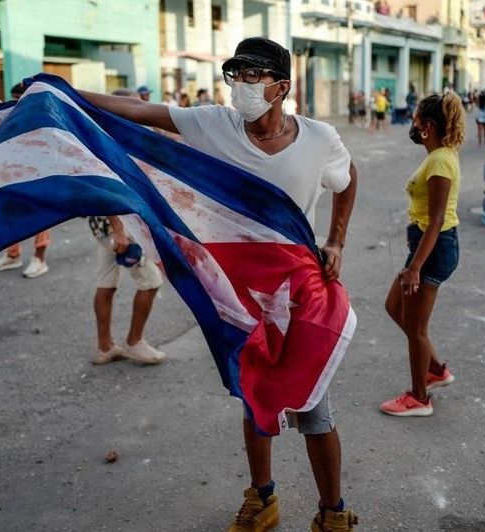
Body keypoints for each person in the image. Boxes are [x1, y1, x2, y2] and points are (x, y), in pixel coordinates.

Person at [75, 36, 359, 531]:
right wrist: (69, 94)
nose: (241, 86)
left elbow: (348, 175)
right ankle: (263, 498)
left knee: (314, 406)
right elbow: (143, 113)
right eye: (236, 75)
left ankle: (331, 511)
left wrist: (335, 240)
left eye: (253, 75)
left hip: (299, 293)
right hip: (241, 295)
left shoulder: (318, 138)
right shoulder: (212, 124)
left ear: (281, 87)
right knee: (252, 393)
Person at [380, 91, 465, 418]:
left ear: (428, 125)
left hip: (434, 249)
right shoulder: (437, 156)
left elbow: (438, 218)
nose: (412, 125)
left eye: (416, 119)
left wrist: (415, 267)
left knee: (416, 326)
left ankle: (419, 397)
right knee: (394, 306)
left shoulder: (441, 160)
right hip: (426, 247)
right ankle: (436, 370)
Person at [0, 82, 53, 278]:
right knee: (10, 213)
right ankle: (13, 254)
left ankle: (39, 259)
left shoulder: (44, 117)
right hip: (14, 174)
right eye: (14, 98)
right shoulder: (10, 117)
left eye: (20, 98)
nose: (17, 103)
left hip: (40, 174)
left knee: (40, 218)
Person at [85, 215, 167, 365]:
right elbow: (111, 191)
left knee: (105, 281)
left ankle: (105, 347)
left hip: (101, 224)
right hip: (120, 225)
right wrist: (118, 230)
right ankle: (134, 343)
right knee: (151, 282)